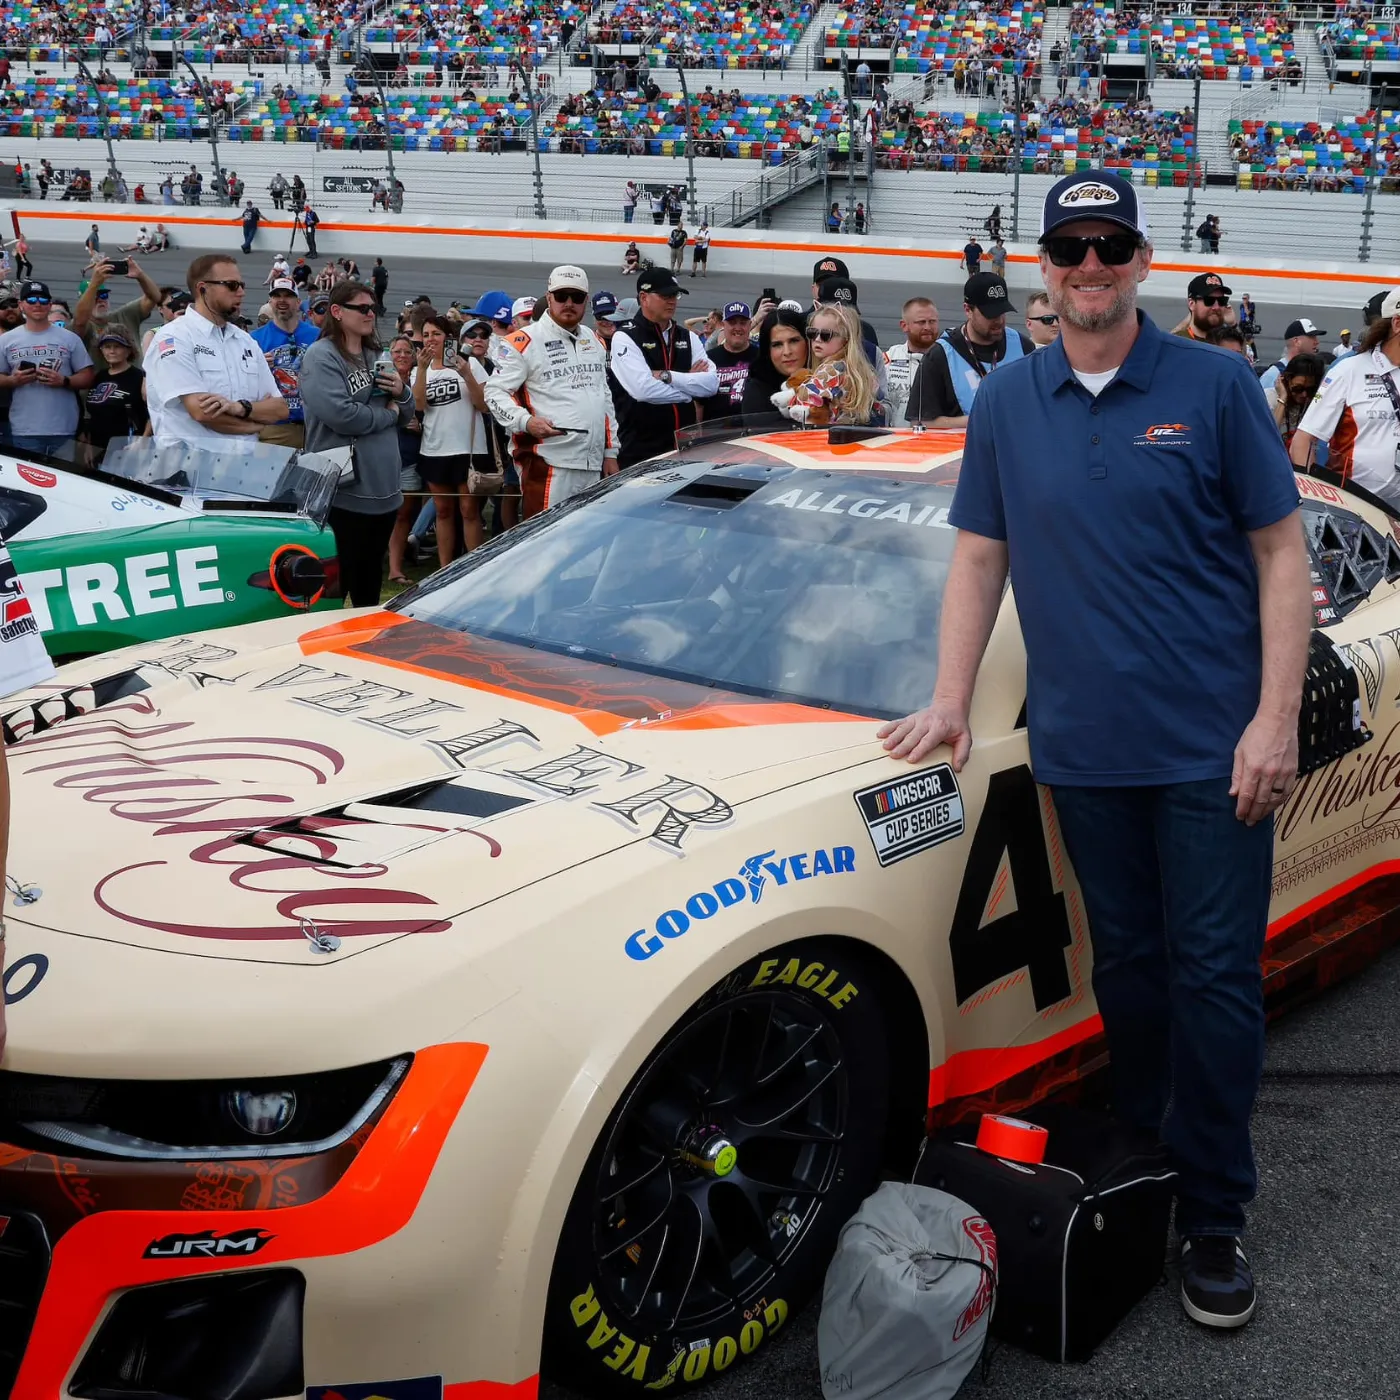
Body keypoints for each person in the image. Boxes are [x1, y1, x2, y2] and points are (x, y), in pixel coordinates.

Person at [880, 169, 1310, 1334]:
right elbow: (978, 557)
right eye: (1066, 245)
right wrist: (948, 702)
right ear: (1042, 262)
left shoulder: (1215, 385)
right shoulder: (1007, 400)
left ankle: (1213, 1209)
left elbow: (1281, 556)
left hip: (1212, 750)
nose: (1086, 264)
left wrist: (1272, 718)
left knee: (1214, 978)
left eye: (1107, 243)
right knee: (1126, 970)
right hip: (1081, 750)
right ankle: (1149, 1166)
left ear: (1139, 258)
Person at [300, 280, 412, 605]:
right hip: (341, 493)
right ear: (337, 311)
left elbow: (407, 411)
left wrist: (401, 393)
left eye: (373, 308)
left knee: (368, 584)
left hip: (385, 491)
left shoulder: (377, 354)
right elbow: (342, 415)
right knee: (336, 586)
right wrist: (388, 415)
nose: (370, 314)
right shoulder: (320, 357)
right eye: (362, 308)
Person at [484, 265, 618, 516]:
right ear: (549, 298)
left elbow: (604, 398)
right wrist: (526, 422)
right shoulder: (521, 342)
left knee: (584, 541)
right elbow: (494, 393)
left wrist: (610, 452)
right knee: (548, 549)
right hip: (548, 463)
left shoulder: (593, 339)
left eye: (576, 297)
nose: (569, 303)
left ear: (586, 301)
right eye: (561, 296)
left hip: (593, 463)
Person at [141, 255, 286, 453]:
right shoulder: (174, 338)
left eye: (241, 284)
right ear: (203, 289)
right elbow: (202, 413)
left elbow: (280, 408)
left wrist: (241, 408)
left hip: (243, 469)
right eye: (232, 285)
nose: (242, 292)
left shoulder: (245, 341)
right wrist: (255, 426)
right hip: (187, 472)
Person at [1290, 290, 1400, 502]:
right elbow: (1302, 441)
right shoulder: (1349, 370)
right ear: (1396, 323)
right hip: (1358, 513)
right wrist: (1315, 503)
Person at [608, 267, 717, 469]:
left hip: (685, 450)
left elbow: (710, 385)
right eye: (665, 295)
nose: (672, 301)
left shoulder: (688, 336)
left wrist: (668, 376)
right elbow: (643, 390)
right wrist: (689, 391)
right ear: (643, 297)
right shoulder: (625, 337)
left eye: (675, 295)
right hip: (639, 451)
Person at [906, 272, 1032, 429]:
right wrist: (981, 419)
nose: (999, 320)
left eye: (1002, 312)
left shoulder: (1024, 347)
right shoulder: (940, 355)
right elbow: (920, 421)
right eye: (990, 314)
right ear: (968, 310)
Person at [414, 312, 492, 562]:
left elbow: (483, 405)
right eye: (425, 335)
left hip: (468, 448)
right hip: (435, 447)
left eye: (436, 334)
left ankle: (474, 566)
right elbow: (419, 405)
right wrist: (423, 370)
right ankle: (445, 569)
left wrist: (467, 373)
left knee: (469, 510)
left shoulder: (469, 362)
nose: (430, 340)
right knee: (443, 510)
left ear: (448, 337)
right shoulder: (420, 369)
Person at [0, 280, 95, 456]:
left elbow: (88, 376)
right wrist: (14, 380)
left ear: (50, 305)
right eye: (31, 300)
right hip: (24, 428)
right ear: (21, 305)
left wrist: (64, 380)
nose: (37, 304)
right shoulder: (6, 340)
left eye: (43, 300)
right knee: (27, 483)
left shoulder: (69, 338)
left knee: (65, 481)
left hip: (64, 428)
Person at [776, 303, 883, 426]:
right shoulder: (864, 372)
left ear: (845, 339)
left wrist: (791, 396)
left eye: (826, 335)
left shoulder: (830, 371)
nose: (817, 339)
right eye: (812, 333)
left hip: (827, 439)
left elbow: (803, 401)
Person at [250, 278, 319, 449]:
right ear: (270, 301)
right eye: (276, 296)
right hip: (276, 428)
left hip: (316, 426)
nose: (282, 300)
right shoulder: (253, 339)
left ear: (298, 302)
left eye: (288, 295)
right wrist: (256, 368)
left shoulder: (318, 335)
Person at [386, 333, 424, 587]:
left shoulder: (421, 380)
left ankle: (395, 568)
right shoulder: (381, 379)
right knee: (380, 514)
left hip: (410, 456)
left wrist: (420, 425)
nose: (402, 356)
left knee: (403, 515)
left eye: (407, 352)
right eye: (397, 351)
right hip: (383, 459)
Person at [70, 256, 162, 357]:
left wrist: (140, 276)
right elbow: (79, 322)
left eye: (104, 295)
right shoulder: (84, 327)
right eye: (94, 297)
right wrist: (94, 284)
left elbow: (155, 298)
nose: (101, 300)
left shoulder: (124, 315)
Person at [83, 326, 148, 460]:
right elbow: (93, 415)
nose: (112, 351)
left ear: (128, 350)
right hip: (97, 448)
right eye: (107, 347)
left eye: (117, 346)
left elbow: (153, 413)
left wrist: (143, 441)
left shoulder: (139, 377)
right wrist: (89, 446)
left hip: (127, 449)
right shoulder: (99, 376)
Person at [739, 306, 809, 427]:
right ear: (767, 350)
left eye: (794, 341)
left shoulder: (825, 378)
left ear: (808, 342)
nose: (787, 352)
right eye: (777, 345)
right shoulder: (756, 389)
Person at [884, 296, 940, 428]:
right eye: (921, 322)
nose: (927, 327)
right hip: (893, 440)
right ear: (904, 326)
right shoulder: (888, 359)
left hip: (937, 441)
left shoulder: (950, 359)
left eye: (932, 321)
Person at [697, 301, 757, 419]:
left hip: (752, 431)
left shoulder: (762, 358)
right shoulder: (708, 359)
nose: (738, 328)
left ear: (750, 325)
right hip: (715, 432)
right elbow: (699, 403)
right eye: (732, 323)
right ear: (723, 325)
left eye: (743, 323)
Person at [1264, 351, 1325, 454]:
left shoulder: (1311, 402)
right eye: (1298, 388)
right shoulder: (1269, 398)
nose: (1304, 394)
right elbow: (1268, 437)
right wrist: (1283, 399)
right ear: (1287, 379)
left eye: (1309, 389)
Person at [1259, 318, 1324, 398]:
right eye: (1312, 337)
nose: (1317, 342)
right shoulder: (1273, 374)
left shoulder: (1314, 370)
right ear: (1296, 341)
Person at [1173, 273, 1232, 342]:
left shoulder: (1228, 344)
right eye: (1209, 301)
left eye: (1222, 300)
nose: (1216, 307)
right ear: (1191, 304)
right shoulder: (1178, 343)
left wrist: (1233, 325)